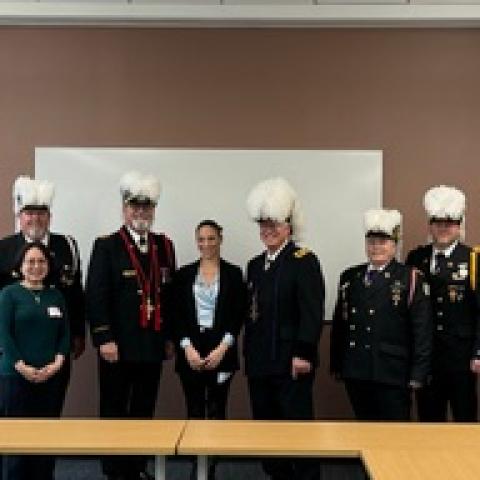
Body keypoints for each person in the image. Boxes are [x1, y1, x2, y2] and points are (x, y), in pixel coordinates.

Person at [86, 171, 176, 480]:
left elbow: (169, 295)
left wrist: (168, 338)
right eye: (134, 207)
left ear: (153, 210)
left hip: (151, 345)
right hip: (117, 346)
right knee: (114, 409)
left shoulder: (164, 246)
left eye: (146, 207)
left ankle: (137, 468)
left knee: (143, 408)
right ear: (124, 209)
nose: (141, 213)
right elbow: (96, 297)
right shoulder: (107, 246)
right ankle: (115, 471)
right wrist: (104, 339)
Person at [244, 177, 324, 480]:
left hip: (292, 363)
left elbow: (312, 313)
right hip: (261, 363)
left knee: (298, 433)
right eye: (263, 225)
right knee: (267, 435)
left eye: (274, 224)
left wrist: (303, 354)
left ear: (289, 226)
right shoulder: (254, 265)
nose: (268, 231)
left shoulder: (304, 261)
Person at [330, 209, 432, 421]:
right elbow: (341, 323)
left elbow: (422, 330)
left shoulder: (410, 277)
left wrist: (418, 373)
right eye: (371, 241)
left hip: (393, 372)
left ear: (394, 245)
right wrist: (337, 364)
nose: (376, 247)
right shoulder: (350, 276)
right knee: (364, 429)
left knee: (394, 435)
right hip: (356, 369)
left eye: (382, 242)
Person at [0, 175, 85, 416]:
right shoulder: (3, 249)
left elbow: (75, 293)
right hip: (15, 351)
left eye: (41, 212)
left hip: (55, 347)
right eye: (29, 212)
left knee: (51, 415)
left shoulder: (67, 245)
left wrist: (78, 334)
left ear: (49, 216)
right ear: (20, 216)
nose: (35, 218)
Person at [174, 219, 246, 479]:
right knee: (194, 409)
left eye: (211, 239)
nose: (206, 244)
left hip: (221, 350)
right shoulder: (183, 274)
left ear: (220, 240)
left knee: (217, 408)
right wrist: (187, 348)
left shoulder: (234, 273)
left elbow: (237, 315)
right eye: (201, 239)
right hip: (191, 349)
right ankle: (197, 463)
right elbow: (176, 315)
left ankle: (212, 463)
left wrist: (222, 348)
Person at [406, 185, 480, 422]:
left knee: (464, 420)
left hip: (461, 357)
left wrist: (478, 352)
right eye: (438, 223)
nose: (443, 228)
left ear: (459, 226)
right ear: (430, 225)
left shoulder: (473, 259)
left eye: (450, 223)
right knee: (429, 421)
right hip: (427, 357)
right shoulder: (417, 258)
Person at [0, 242, 70, 480]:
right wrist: (21, 366)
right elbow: (3, 334)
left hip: (50, 377)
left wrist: (58, 363)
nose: (36, 266)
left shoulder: (55, 295)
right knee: (17, 441)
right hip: (15, 377)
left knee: (45, 439)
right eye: (30, 261)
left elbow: (64, 335)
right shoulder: (9, 294)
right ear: (20, 266)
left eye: (41, 262)